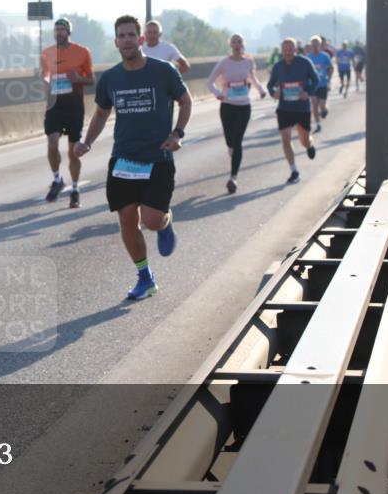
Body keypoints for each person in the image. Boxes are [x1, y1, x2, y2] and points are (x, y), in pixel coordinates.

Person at [74, 15, 192, 300]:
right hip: (124, 159)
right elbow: (102, 112)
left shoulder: (163, 71)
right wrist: (87, 142)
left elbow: (185, 101)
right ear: (115, 42)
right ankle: (144, 277)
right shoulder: (111, 77)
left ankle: (165, 222)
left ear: (141, 40)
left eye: (131, 35)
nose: (126, 40)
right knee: (127, 218)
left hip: (158, 157)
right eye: (121, 36)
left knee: (151, 220)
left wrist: (177, 134)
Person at [40, 17, 94, 207]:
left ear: (68, 32)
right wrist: (46, 81)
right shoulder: (46, 54)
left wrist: (78, 78)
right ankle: (57, 179)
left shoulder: (82, 52)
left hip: (74, 107)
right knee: (52, 142)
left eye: (62, 30)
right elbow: (46, 74)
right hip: (54, 106)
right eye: (56, 30)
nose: (59, 33)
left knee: (73, 152)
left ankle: (75, 189)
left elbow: (91, 80)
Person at [207, 34, 267, 193]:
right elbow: (209, 82)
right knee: (230, 141)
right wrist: (217, 93)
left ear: (243, 44)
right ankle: (232, 150)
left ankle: (233, 177)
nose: (237, 44)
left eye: (239, 41)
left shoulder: (249, 61)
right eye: (234, 41)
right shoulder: (224, 62)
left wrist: (261, 90)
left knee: (238, 141)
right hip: (227, 105)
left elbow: (252, 78)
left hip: (244, 105)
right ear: (230, 45)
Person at [267, 38, 319, 184]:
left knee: (304, 141)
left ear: (296, 50)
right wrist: (273, 92)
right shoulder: (278, 66)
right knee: (285, 138)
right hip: (284, 108)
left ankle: (310, 145)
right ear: (282, 51)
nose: (287, 52)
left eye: (290, 50)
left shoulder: (305, 63)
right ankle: (294, 170)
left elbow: (315, 80)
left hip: (301, 107)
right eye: (285, 50)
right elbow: (270, 85)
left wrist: (307, 92)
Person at [305, 36, 333, 133]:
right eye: (313, 45)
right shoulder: (308, 57)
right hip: (312, 85)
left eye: (317, 45)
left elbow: (330, 68)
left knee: (322, 106)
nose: (315, 47)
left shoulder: (325, 56)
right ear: (311, 46)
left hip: (323, 84)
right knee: (314, 105)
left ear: (320, 45)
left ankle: (325, 109)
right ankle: (318, 124)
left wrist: (329, 78)